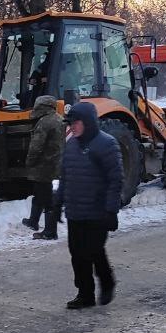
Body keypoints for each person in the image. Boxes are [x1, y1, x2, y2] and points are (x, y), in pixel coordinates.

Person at [56, 102, 122, 309]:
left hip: (97, 211)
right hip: (75, 211)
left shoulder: (107, 144)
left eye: (76, 123)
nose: (72, 127)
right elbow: (65, 177)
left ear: (88, 123)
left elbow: (115, 180)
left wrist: (111, 211)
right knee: (77, 254)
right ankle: (85, 294)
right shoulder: (71, 145)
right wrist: (57, 203)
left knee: (93, 250)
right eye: (70, 124)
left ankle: (107, 281)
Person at [22, 95, 65, 240]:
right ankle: (33, 221)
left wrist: (29, 161)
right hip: (55, 163)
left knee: (45, 197)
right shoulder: (60, 119)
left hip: (43, 165)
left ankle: (50, 231)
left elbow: (36, 146)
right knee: (41, 193)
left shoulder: (44, 122)